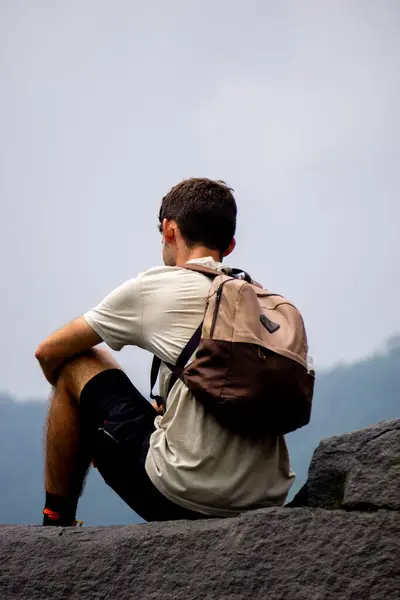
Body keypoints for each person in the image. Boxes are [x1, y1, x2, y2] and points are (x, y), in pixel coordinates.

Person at [35, 178, 295, 526]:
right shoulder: (264, 306)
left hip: (185, 494)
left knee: (77, 361)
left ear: (170, 230)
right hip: (264, 499)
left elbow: (48, 352)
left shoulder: (156, 286)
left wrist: (86, 423)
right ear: (229, 245)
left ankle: (56, 520)